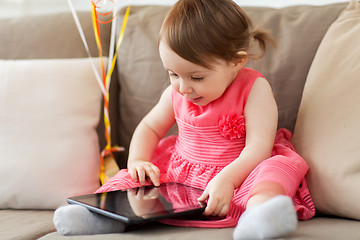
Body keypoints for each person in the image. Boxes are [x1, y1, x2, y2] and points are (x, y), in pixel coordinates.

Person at [54, 0, 315, 239]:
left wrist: (227, 179)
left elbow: (258, 148)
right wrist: (138, 160)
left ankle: (261, 215)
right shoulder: (176, 93)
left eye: (196, 77)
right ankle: (101, 217)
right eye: (172, 74)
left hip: (242, 169)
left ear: (236, 62)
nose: (183, 88)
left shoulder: (254, 88)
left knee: (275, 172)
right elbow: (149, 127)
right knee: (132, 181)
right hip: (181, 175)